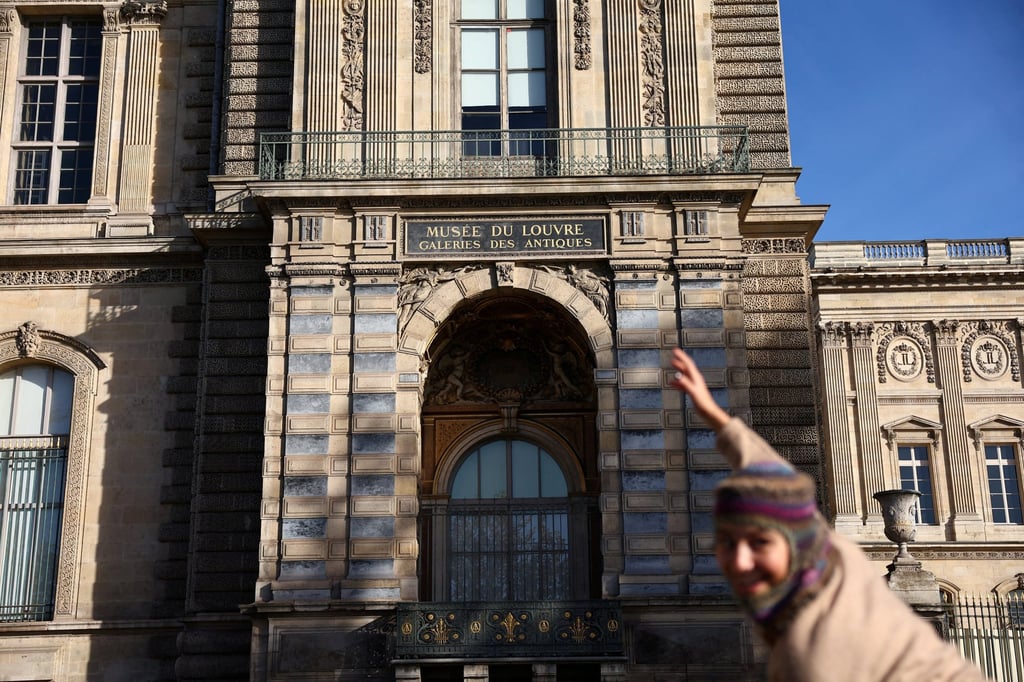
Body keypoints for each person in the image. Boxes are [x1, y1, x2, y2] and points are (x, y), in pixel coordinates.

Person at [669, 348, 988, 682]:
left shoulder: (815, 654)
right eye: (727, 543)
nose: (741, 560)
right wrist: (713, 414)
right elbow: (777, 477)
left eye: (760, 542)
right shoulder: (836, 562)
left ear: (796, 540)